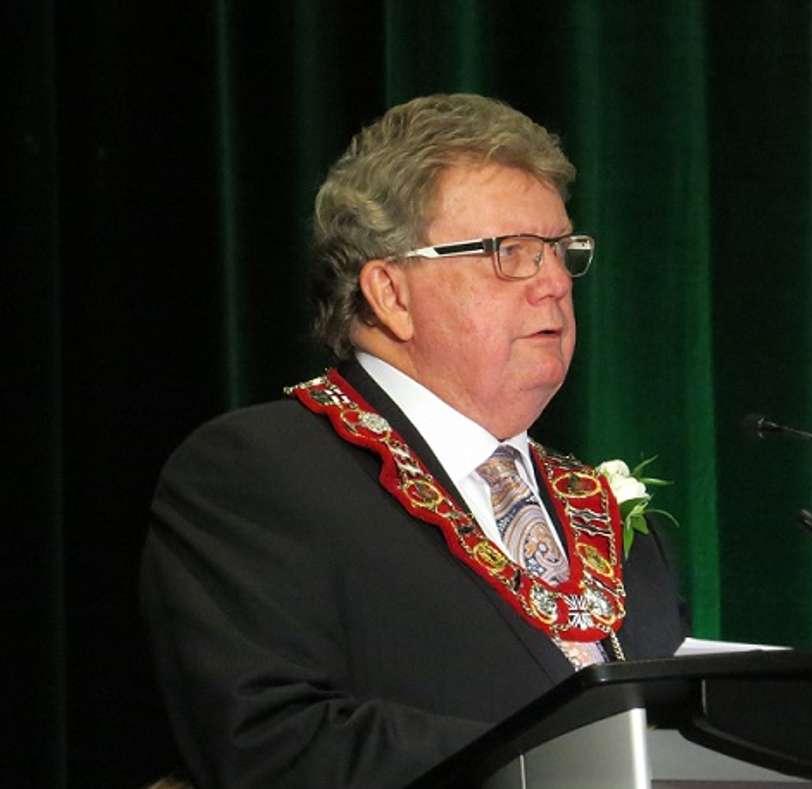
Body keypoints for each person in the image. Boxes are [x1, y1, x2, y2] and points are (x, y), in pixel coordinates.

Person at [141, 93, 686, 788]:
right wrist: (561, 765)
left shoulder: (614, 523)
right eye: (509, 252)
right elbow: (273, 741)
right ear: (391, 291)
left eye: (560, 249)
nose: (553, 282)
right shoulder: (260, 472)